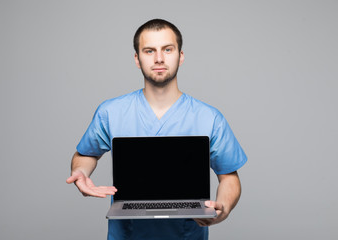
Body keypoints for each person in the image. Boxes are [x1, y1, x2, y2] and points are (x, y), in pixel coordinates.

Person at [66, 19, 247, 240]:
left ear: (180, 56)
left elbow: (229, 176)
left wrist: (224, 208)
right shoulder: (110, 112)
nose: (159, 58)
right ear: (137, 59)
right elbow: (85, 154)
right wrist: (81, 172)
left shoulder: (209, 118)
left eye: (167, 49)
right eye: (149, 50)